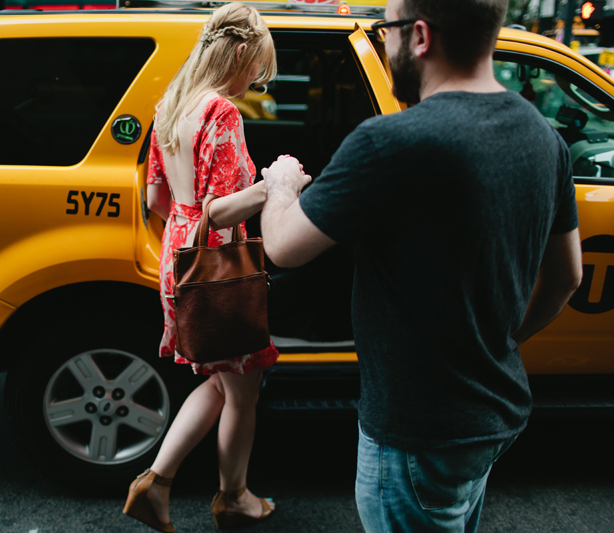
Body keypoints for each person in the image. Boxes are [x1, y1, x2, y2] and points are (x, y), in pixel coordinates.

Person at [259, 0, 584, 531]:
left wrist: (280, 187)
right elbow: (567, 276)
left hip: (416, 429)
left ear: (420, 36)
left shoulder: (392, 142)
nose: (384, 45)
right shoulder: (543, 136)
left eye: (386, 30)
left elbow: (282, 247)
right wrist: (497, 344)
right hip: (496, 411)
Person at [122, 3, 279, 532]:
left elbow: (157, 198)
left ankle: (157, 483)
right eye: (256, 66)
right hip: (218, 269)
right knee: (243, 388)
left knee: (221, 380)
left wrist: (187, 232)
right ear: (238, 52)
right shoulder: (221, 114)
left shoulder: (171, 103)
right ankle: (233, 497)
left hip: (178, 257)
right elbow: (220, 207)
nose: (255, 80)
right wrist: (277, 185)